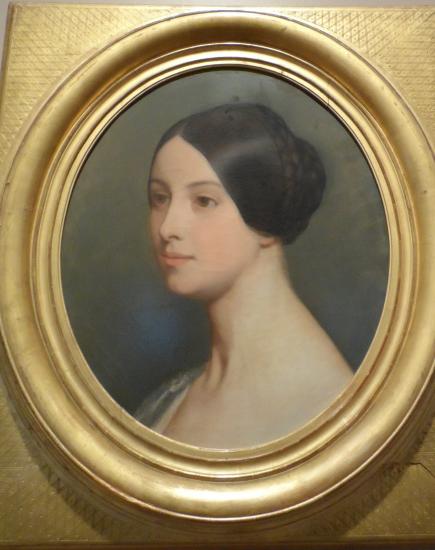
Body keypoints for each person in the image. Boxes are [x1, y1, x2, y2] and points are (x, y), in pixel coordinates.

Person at [135, 103, 353, 448]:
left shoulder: (314, 398)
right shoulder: (187, 387)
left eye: (203, 201)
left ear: (264, 219)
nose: (167, 228)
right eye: (160, 198)